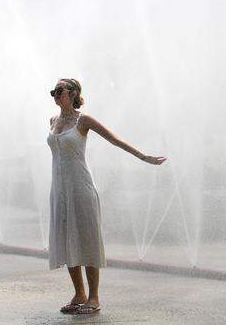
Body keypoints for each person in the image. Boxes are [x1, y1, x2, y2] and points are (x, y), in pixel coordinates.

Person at [48, 79, 166, 314]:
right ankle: (79, 293)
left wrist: (144, 157)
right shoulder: (52, 121)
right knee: (66, 237)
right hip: (59, 189)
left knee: (86, 238)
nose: (55, 94)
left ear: (72, 94)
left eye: (59, 91)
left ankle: (93, 297)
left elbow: (114, 139)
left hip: (81, 187)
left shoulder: (84, 120)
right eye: (53, 91)